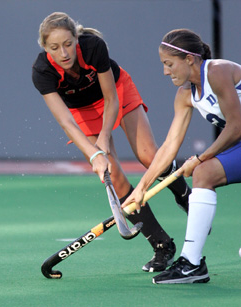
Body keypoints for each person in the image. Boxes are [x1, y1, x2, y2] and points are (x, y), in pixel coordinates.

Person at [32, 13, 191, 272]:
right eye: (55, 47)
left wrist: (105, 137)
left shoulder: (93, 47)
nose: (63, 53)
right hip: (80, 112)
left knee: (149, 155)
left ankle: (185, 197)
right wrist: (95, 155)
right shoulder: (42, 71)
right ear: (45, 47)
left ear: (76, 38)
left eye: (68, 44)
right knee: (113, 175)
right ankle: (162, 245)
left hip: (116, 92)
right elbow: (67, 123)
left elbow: (111, 99)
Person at [122, 28, 241, 284]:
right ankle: (192, 265)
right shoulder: (185, 95)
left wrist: (199, 158)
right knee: (204, 173)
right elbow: (169, 145)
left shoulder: (217, 71)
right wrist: (141, 187)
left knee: (202, 168)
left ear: (189, 59)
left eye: (169, 64)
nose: (166, 71)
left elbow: (235, 126)